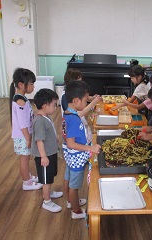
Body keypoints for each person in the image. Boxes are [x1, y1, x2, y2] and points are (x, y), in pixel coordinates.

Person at [62, 80, 101, 219]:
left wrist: (93, 103)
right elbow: (71, 143)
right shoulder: (73, 120)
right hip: (76, 156)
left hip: (69, 156)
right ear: (76, 100)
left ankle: (70, 201)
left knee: (68, 178)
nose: (86, 103)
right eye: (85, 100)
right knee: (74, 185)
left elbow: (82, 111)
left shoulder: (69, 113)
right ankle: (76, 210)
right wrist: (90, 147)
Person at [9, 68, 43, 191]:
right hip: (23, 136)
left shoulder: (21, 98)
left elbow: (26, 116)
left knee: (26, 157)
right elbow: (22, 123)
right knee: (24, 159)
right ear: (21, 85)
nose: (33, 87)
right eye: (31, 83)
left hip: (23, 135)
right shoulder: (20, 101)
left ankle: (28, 176)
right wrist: (28, 138)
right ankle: (26, 183)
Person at [31, 88, 63, 213]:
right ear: (45, 106)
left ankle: (49, 191)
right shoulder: (39, 121)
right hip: (45, 155)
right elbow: (39, 140)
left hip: (51, 152)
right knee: (45, 178)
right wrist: (43, 157)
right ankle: (47, 201)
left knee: (50, 175)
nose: (55, 107)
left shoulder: (46, 117)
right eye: (54, 105)